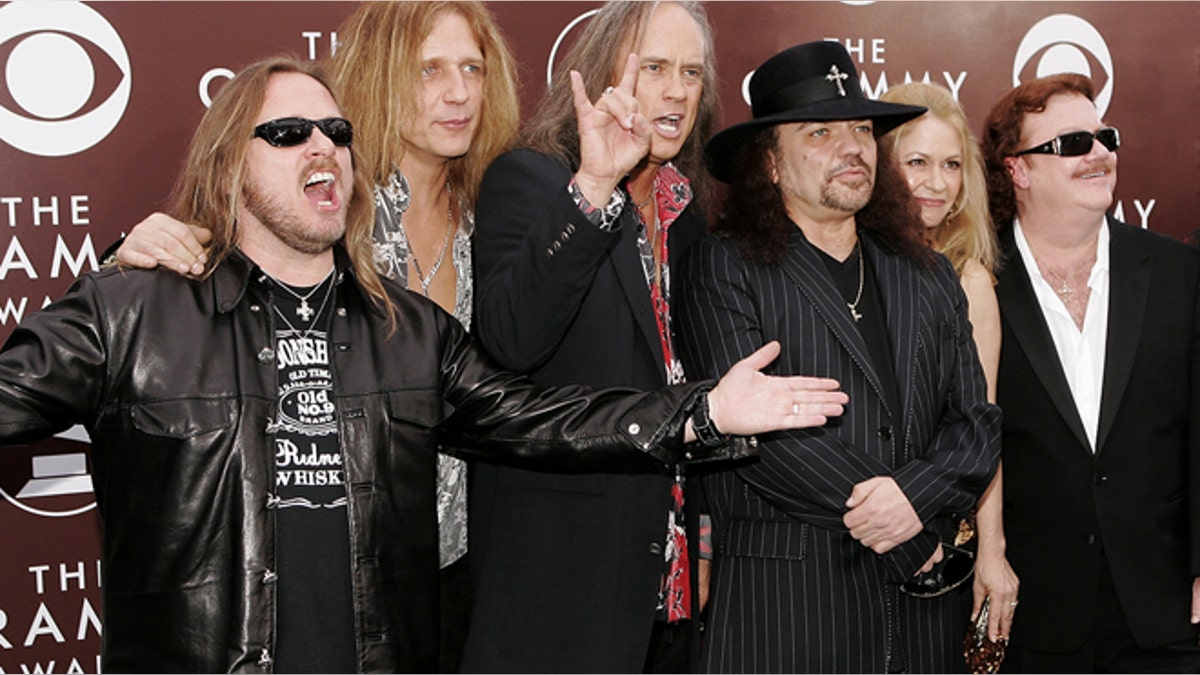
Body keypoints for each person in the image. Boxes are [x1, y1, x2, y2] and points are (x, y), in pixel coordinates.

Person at [0, 56, 851, 673]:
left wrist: (700, 414)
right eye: (288, 133)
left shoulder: (407, 331)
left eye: (336, 132)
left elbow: (539, 418)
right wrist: (107, 276)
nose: (323, 147)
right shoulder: (134, 311)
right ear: (229, 166)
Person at [108, 3, 519, 669]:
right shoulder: (316, 205)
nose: (460, 92)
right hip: (321, 573)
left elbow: (527, 404)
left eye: (473, 67)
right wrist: (120, 261)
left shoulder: (497, 217)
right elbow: (202, 266)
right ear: (380, 77)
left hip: (456, 570)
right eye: (431, 70)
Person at [677, 41, 1001, 673]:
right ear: (769, 164)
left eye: (860, 129)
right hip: (786, 616)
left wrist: (912, 501)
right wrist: (907, 535)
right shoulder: (722, 268)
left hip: (923, 626)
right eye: (820, 132)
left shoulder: (928, 272)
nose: (852, 146)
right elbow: (756, 437)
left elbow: (976, 423)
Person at [463, 2, 720, 672]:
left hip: (671, 596)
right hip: (560, 588)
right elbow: (511, 339)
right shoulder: (532, 180)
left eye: (691, 72)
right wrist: (595, 186)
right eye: (655, 67)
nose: (676, 89)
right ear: (606, 73)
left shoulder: (689, 212)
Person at [981, 73, 1200, 672]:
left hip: (1165, 610)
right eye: (1073, 144)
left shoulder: (1179, 272)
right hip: (1032, 613)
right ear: (1017, 170)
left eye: (1105, 137)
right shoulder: (975, 284)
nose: (1101, 153)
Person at [880, 82, 1019, 647]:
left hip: (937, 535)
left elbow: (982, 422)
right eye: (917, 162)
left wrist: (992, 548)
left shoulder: (970, 279)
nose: (936, 183)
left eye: (951, 165)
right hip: (849, 519)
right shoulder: (845, 263)